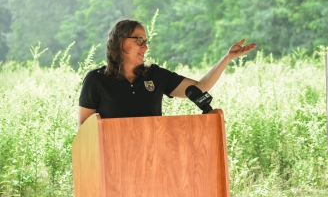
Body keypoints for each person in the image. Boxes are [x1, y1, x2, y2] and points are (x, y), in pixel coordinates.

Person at [78, 19, 256, 129]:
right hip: (113, 165)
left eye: (146, 41)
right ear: (120, 42)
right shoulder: (96, 79)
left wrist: (227, 58)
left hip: (154, 160)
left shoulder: (155, 75)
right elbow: (85, 131)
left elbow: (200, 88)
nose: (145, 46)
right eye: (139, 40)